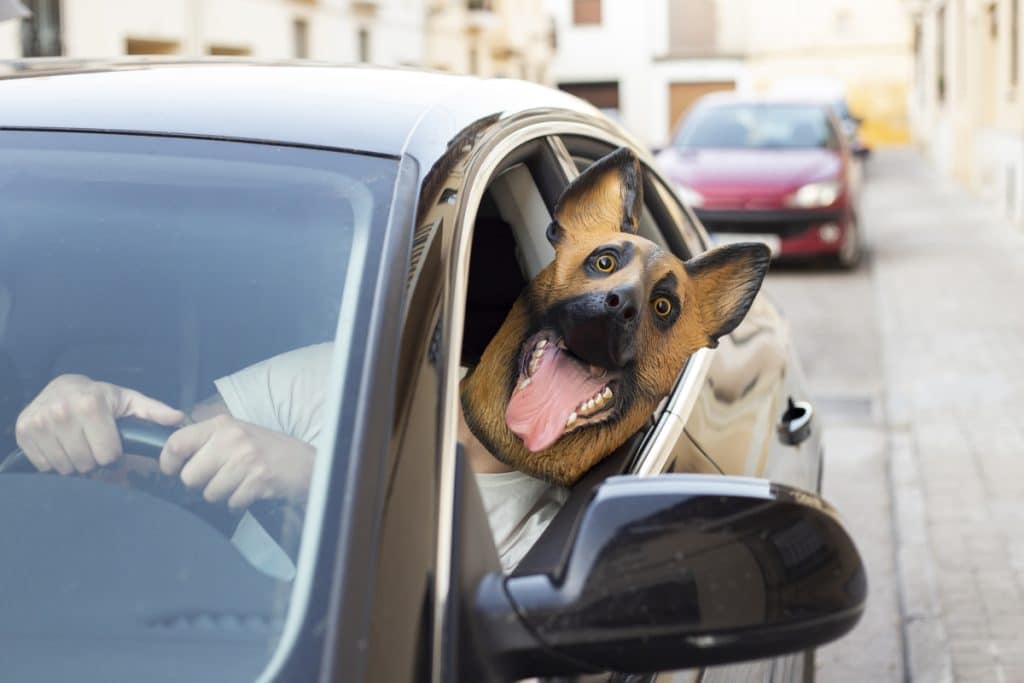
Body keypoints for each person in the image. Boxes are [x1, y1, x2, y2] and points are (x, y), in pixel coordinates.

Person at [14, 343, 565, 572]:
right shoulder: (348, 377)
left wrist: (320, 480)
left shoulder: (560, 536)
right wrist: (79, 404)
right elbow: (164, 448)